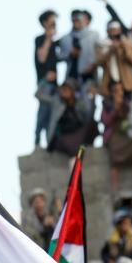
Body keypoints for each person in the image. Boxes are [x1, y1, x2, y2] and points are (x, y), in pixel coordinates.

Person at [101, 82, 132, 191]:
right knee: (114, 159)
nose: (120, 92)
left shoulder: (127, 103)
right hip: (113, 136)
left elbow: (131, 117)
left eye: (121, 90)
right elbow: (106, 121)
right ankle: (115, 190)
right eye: (117, 90)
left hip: (125, 133)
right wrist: (115, 108)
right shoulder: (107, 105)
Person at [37, 78, 96, 156]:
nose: (64, 91)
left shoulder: (79, 104)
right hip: (60, 138)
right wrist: (45, 80)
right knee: (71, 144)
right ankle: (77, 156)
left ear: (73, 91)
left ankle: (78, 155)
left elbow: (89, 113)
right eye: (62, 89)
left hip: (76, 135)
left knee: (92, 125)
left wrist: (91, 96)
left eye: (67, 89)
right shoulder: (56, 102)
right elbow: (38, 95)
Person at [35, 10, 61, 147]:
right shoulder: (40, 39)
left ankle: (50, 143)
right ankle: (37, 143)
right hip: (45, 85)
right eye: (52, 20)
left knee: (52, 115)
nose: (55, 23)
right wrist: (48, 38)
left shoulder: (56, 43)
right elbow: (41, 57)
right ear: (45, 23)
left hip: (54, 86)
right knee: (43, 115)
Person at [57, 9, 102, 87]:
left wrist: (93, 64)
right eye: (74, 19)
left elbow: (100, 54)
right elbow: (59, 57)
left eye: (78, 19)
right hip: (71, 77)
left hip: (89, 76)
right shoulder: (65, 38)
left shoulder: (94, 35)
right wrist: (69, 54)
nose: (76, 22)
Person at [96, 20, 132, 97]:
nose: (114, 33)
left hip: (126, 82)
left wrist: (123, 48)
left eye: (116, 30)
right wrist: (110, 51)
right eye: (111, 30)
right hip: (109, 82)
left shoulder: (127, 43)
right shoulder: (102, 44)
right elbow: (99, 62)